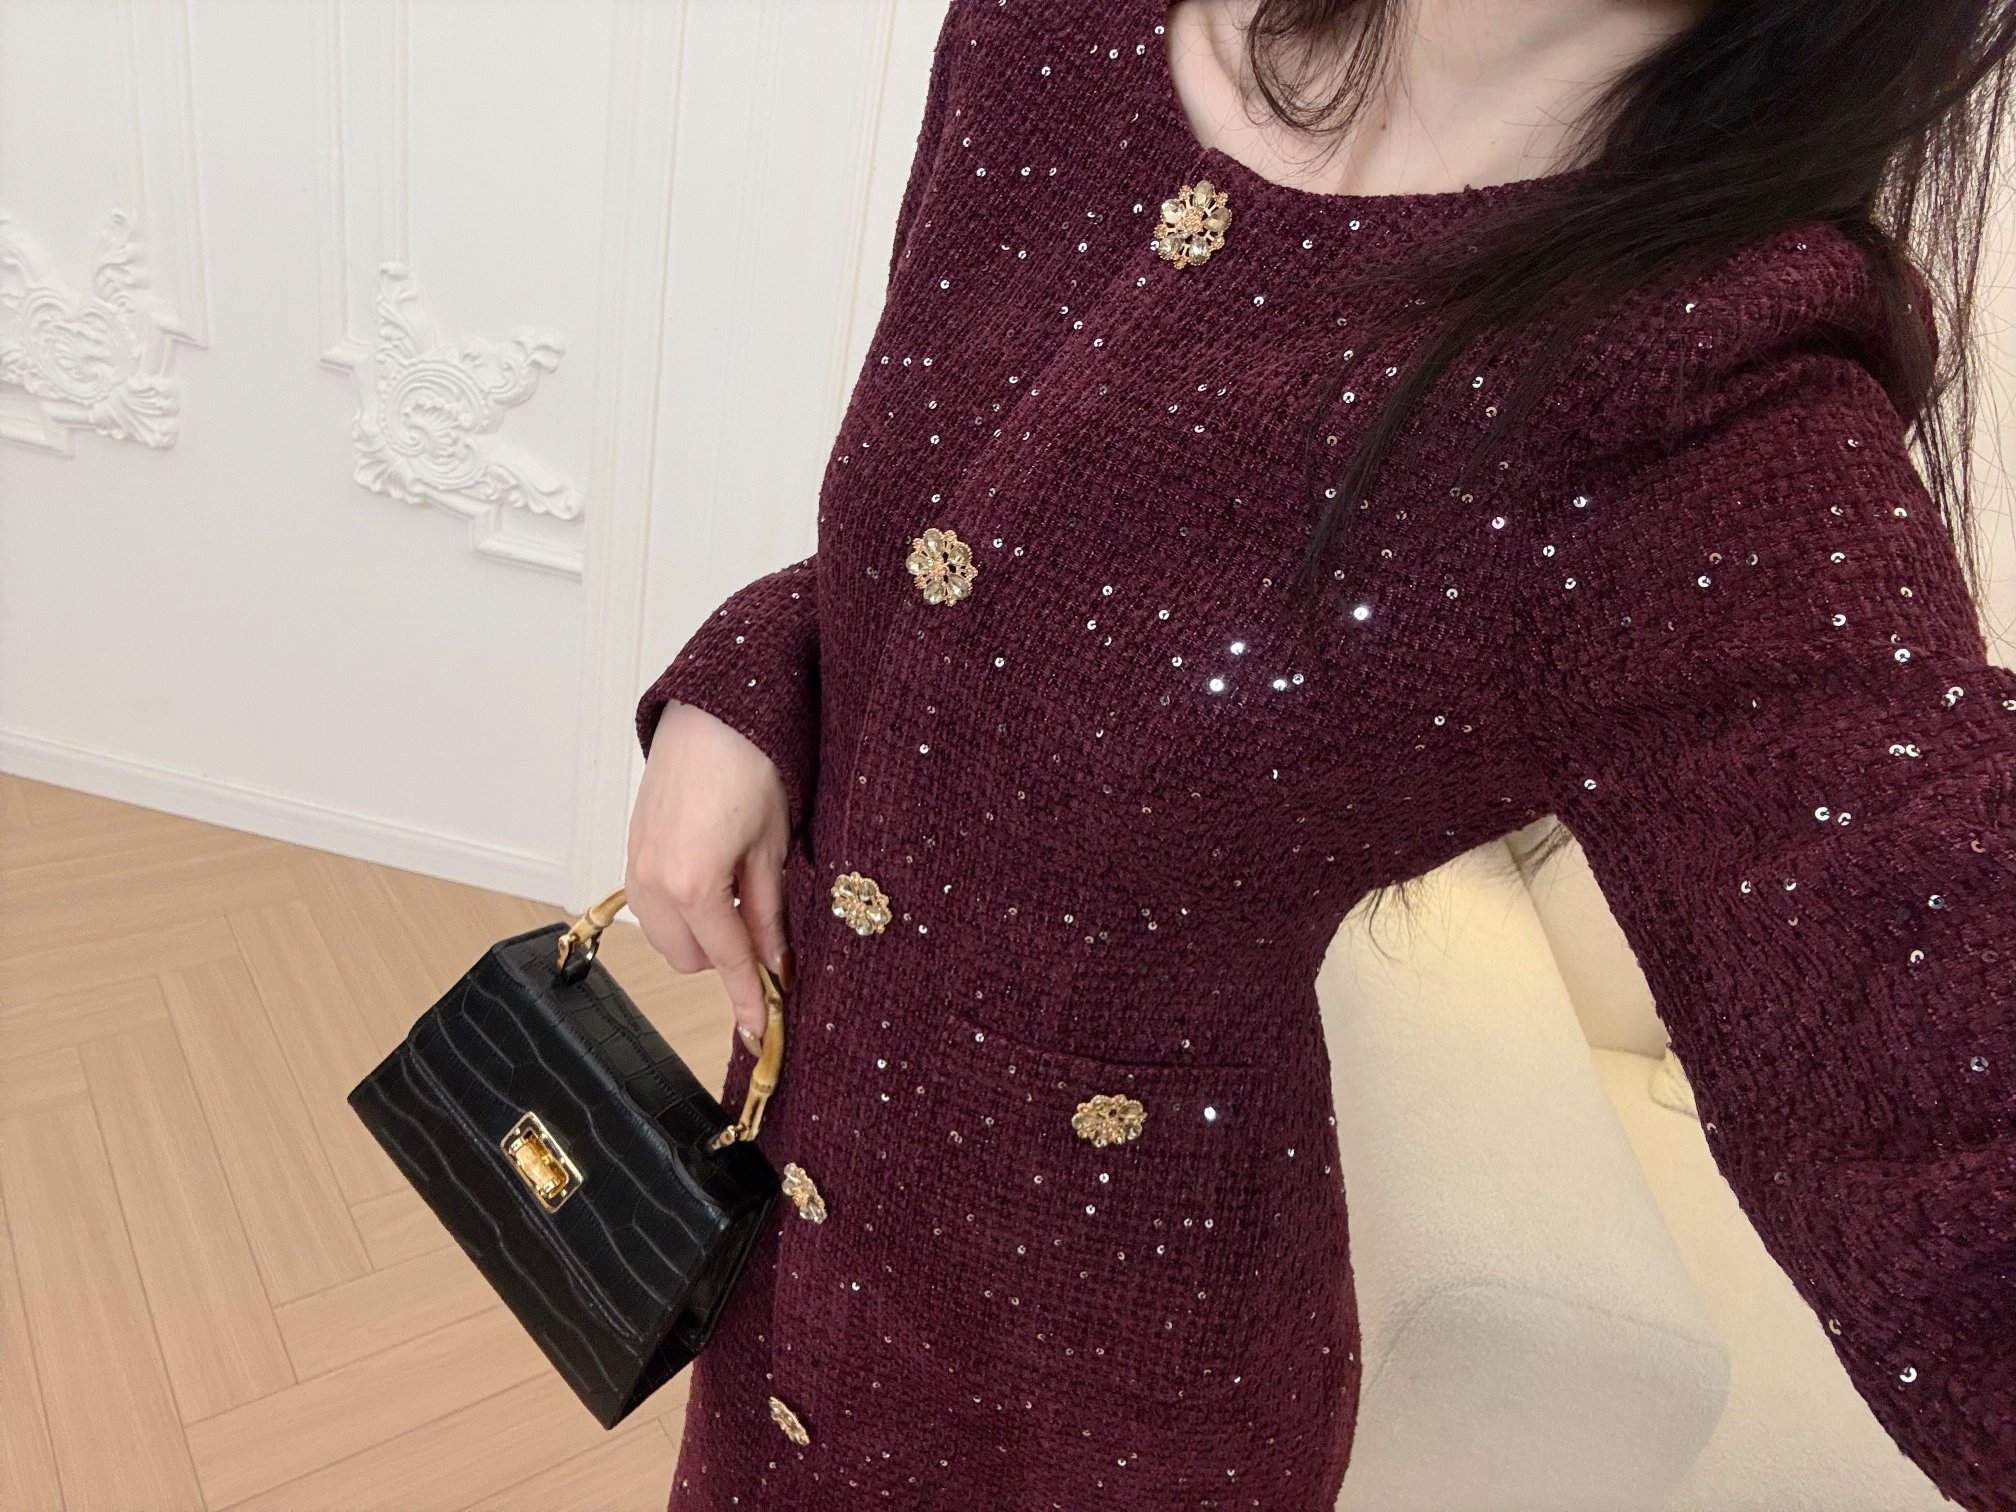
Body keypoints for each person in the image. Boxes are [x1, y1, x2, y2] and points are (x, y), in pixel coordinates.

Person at [624, 0, 2016, 1506]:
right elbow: (994, 538)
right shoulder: (1053, 29)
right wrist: (756, 668)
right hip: (785, 1188)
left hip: (1103, 1376)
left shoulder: (1711, 400)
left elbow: (1941, 1078)